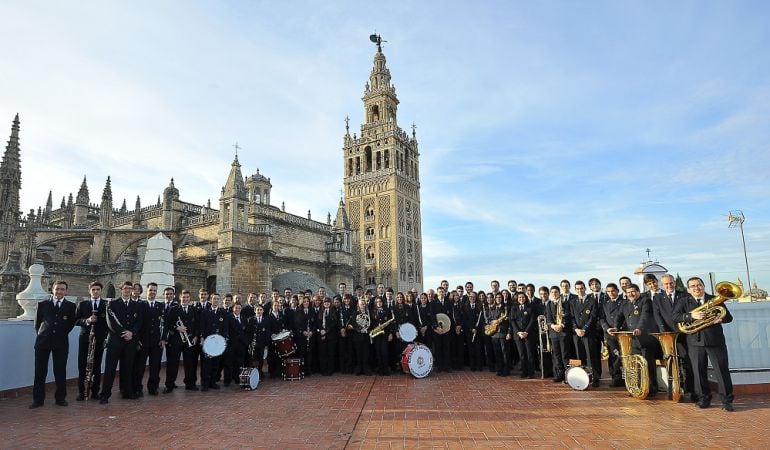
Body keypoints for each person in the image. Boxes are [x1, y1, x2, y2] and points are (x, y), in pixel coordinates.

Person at [674, 277, 734, 411]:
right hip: (695, 341)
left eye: (699, 285)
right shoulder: (684, 301)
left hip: (715, 341)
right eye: (693, 286)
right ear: (688, 289)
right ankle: (704, 398)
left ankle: (727, 401)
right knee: (698, 371)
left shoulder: (715, 299)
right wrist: (691, 316)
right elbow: (675, 317)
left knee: (722, 371)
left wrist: (720, 318)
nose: (696, 288)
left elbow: (728, 317)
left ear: (703, 286)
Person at [30, 280, 77, 408]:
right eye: (57, 289)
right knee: (40, 371)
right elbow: (37, 324)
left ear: (66, 291)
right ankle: (38, 400)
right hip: (43, 342)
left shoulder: (71, 307)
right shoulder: (43, 304)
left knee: (60, 371)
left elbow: (70, 324)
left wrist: (59, 334)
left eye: (62, 289)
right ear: (53, 290)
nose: (59, 291)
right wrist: (44, 335)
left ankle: (60, 398)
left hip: (60, 343)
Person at [609, 283, 659, 397]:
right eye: (628, 292)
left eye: (633, 292)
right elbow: (619, 316)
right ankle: (638, 387)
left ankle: (651, 388)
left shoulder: (645, 301)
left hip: (646, 338)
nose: (631, 294)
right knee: (635, 365)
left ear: (638, 292)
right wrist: (616, 327)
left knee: (647, 364)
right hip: (633, 339)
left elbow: (645, 316)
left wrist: (639, 328)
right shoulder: (625, 304)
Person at [99, 281, 143, 404]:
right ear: (121, 289)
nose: (128, 290)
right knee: (110, 369)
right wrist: (124, 333)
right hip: (115, 340)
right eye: (125, 288)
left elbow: (139, 321)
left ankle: (126, 391)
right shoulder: (112, 304)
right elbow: (111, 323)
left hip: (130, 341)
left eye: (130, 288)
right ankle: (105, 394)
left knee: (128, 368)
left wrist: (132, 333)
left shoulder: (137, 305)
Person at [654, 274, 695, 401]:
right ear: (662, 285)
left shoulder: (684, 295)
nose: (669, 285)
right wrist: (663, 331)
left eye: (671, 283)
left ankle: (690, 389)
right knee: (672, 363)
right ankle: (675, 389)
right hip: (668, 335)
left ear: (674, 283)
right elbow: (657, 315)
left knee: (687, 361)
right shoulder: (658, 297)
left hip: (684, 334)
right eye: (666, 284)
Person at [74, 281, 107, 401]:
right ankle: (81, 392)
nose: (95, 291)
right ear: (89, 291)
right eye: (93, 289)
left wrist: (106, 338)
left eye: (98, 289)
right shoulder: (82, 304)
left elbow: (109, 324)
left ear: (101, 291)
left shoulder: (106, 304)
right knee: (82, 365)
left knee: (97, 366)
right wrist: (87, 320)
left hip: (99, 339)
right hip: (85, 339)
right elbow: (76, 320)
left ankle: (94, 392)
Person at [134, 282, 166, 396]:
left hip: (156, 342)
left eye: (154, 290)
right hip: (143, 341)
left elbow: (164, 324)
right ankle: (138, 387)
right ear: (146, 291)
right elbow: (136, 324)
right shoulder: (140, 305)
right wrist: (137, 340)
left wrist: (163, 338)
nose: (152, 292)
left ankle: (153, 387)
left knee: (155, 367)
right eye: (150, 290)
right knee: (140, 367)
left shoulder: (161, 306)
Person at [163, 289, 198, 392]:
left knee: (190, 363)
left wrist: (196, 336)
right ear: (180, 298)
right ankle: (169, 385)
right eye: (183, 297)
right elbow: (167, 323)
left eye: (187, 297)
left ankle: (190, 384)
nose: (185, 299)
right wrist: (177, 328)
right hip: (175, 340)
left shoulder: (194, 309)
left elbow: (197, 324)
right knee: (172, 363)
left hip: (190, 340)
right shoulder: (173, 309)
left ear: (189, 298)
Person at [570, 280, 601, 387]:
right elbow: (571, 317)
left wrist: (584, 329)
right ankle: (581, 378)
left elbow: (593, 317)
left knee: (591, 356)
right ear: (575, 290)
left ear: (585, 289)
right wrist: (576, 329)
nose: (579, 290)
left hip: (588, 333)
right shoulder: (573, 302)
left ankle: (595, 378)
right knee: (579, 356)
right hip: (577, 334)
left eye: (581, 288)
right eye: (577, 289)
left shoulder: (592, 300)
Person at [198, 293, 229, 391]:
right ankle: (205, 384)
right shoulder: (205, 312)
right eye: (214, 299)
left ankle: (213, 382)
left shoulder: (223, 312)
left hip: (218, 342)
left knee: (216, 363)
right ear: (211, 300)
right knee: (206, 364)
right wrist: (202, 337)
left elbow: (225, 327)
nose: (215, 300)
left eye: (217, 299)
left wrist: (224, 338)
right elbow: (201, 326)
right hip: (207, 341)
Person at [599, 283, 625, 387]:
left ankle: (625, 377)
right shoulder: (604, 304)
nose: (611, 293)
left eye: (613, 291)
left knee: (623, 355)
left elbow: (626, 317)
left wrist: (618, 328)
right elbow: (602, 318)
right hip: (610, 334)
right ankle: (615, 377)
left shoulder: (624, 302)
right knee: (613, 356)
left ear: (617, 291)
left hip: (622, 333)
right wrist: (607, 328)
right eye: (608, 291)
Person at [546, 286, 570, 383]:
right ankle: (560, 374)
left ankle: (567, 375)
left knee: (565, 354)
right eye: (552, 292)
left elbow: (568, 315)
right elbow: (548, 317)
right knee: (557, 355)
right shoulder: (549, 304)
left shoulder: (565, 303)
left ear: (559, 293)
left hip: (563, 332)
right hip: (554, 333)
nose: (554, 294)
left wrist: (562, 325)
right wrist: (553, 326)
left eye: (556, 292)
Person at [510, 292, 537, 378]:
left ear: (525, 298)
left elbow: (532, 320)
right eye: (519, 297)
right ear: (517, 299)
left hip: (528, 334)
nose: (521, 299)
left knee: (529, 353)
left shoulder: (530, 308)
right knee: (522, 354)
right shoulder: (514, 308)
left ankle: (531, 372)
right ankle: (524, 372)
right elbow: (512, 321)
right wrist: (518, 332)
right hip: (518, 335)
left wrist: (526, 332)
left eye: (523, 297)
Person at [430, 286, 453, 372]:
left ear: (444, 293)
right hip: (437, 330)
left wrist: (447, 327)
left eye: (442, 292)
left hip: (446, 329)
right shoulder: (432, 303)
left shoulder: (448, 303)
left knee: (446, 347)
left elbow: (450, 316)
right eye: (439, 292)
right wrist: (436, 327)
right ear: (437, 293)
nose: (441, 293)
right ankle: (439, 366)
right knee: (438, 347)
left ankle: (446, 366)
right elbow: (432, 316)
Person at [224, 303, 248, 386]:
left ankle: (237, 378)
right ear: (233, 308)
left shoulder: (244, 318)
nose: (238, 309)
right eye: (236, 308)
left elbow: (246, 331)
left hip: (241, 344)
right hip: (231, 343)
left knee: (239, 362)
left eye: (239, 308)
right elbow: (226, 329)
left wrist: (245, 342)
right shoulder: (228, 317)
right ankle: (227, 380)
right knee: (228, 362)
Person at [489, 293, 511, 376]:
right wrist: (492, 322)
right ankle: (499, 369)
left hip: (503, 333)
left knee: (505, 352)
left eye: (500, 297)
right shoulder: (492, 308)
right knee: (497, 352)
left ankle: (506, 370)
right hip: (494, 333)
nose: (498, 299)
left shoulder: (506, 308)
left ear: (502, 298)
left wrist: (509, 332)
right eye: (496, 297)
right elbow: (489, 319)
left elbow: (510, 322)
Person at [318, 296, 339, 376]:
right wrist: (321, 330)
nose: (326, 303)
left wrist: (326, 330)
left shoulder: (334, 312)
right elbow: (318, 322)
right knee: (323, 353)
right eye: (325, 302)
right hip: (322, 335)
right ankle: (323, 370)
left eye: (328, 302)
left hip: (331, 335)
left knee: (331, 353)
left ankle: (330, 370)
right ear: (323, 304)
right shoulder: (320, 312)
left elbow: (334, 324)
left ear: (330, 303)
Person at [464, 291, 484, 371]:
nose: (471, 298)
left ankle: (479, 365)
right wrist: (471, 328)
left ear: (476, 298)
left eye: (473, 297)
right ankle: (472, 366)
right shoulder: (465, 307)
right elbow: (465, 320)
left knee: (478, 349)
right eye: (470, 297)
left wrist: (476, 328)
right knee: (471, 349)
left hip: (478, 331)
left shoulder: (480, 307)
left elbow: (481, 319)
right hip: (469, 331)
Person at [352, 298, 372, 376]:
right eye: (361, 304)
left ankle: (365, 369)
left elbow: (371, 322)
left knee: (366, 353)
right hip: (358, 336)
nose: (362, 305)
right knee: (358, 353)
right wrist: (359, 329)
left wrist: (367, 329)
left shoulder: (368, 313)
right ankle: (359, 369)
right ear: (358, 305)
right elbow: (353, 323)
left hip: (366, 336)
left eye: (364, 304)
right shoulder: (355, 313)